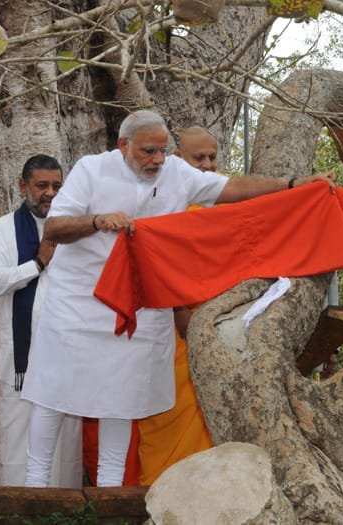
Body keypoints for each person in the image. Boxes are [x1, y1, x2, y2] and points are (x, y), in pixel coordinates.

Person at [21, 110, 337, 487]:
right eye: (148, 151)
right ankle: (33, 489)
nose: (157, 159)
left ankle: (109, 496)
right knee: (52, 397)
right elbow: (55, 227)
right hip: (77, 309)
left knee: (120, 401)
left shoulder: (175, 172)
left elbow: (231, 188)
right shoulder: (92, 170)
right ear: (123, 146)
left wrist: (294, 183)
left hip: (138, 311)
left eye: (163, 150)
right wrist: (97, 221)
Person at [0, 154, 82, 487]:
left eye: (57, 185)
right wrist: (37, 263)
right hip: (20, 363)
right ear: (23, 186)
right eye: (42, 186)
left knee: (66, 445)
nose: (50, 193)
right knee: (17, 445)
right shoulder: (3, 228)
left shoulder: (75, 228)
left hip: (67, 356)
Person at [135, 126, 220, 485]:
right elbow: (158, 265)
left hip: (215, 330)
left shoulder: (221, 205)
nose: (207, 165)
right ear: (178, 161)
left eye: (213, 157)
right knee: (165, 417)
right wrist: (181, 309)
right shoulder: (162, 204)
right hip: (170, 330)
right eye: (198, 158)